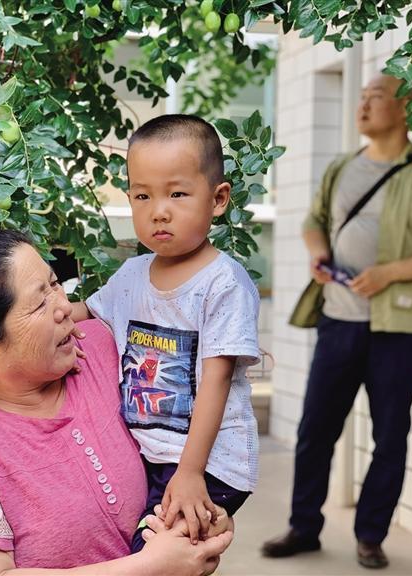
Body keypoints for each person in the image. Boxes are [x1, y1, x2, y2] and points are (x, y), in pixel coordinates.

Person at [0, 228, 234, 575]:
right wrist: (151, 567)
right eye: (39, 303)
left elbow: (180, 445)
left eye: (54, 284)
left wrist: (204, 520)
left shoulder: (107, 347)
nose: (64, 307)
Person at [261, 73, 412, 569]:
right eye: (363, 96)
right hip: (339, 321)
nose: (365, 104)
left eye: (377, 96)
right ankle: (304, 527)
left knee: (390, 436)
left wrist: (392, 273)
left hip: (400, 330)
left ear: (406, 107)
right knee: (315, 430)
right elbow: (313, 222)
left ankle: (371, 535)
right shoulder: (340, 166)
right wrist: (318, 254)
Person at [72, 114, 261, 550]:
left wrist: (191, 472)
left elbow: (215, 381)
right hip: (152, 456)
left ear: (218, 199)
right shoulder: (132, 274)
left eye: (178, 193)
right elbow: (87, 311)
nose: (159, 210)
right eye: (142, 195)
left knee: (154, 557)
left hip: (210, 462)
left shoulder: (222, 284)